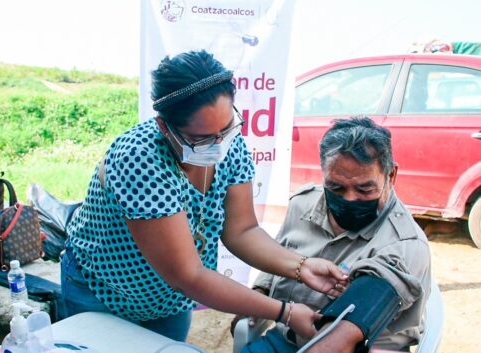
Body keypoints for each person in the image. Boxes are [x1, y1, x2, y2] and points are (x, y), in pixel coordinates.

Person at [60, 50, 348, 342]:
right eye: (201, 138)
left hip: (169, 300)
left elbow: (242, 230)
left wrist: (301, 266)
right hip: (105, 294)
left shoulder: (229, 145)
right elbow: (189, 276)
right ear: (164, 127)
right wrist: (285, 312)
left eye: (226, 128)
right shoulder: (140, 160)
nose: (219, 144)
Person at [235, 117, 432, 353]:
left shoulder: (404, 244)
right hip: (286, 338)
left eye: (364, 189)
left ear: (390, 176)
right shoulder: (303, 205)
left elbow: (344, 337)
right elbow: (277, 258)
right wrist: (259, 295)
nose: (349, 198)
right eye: (336, 188)